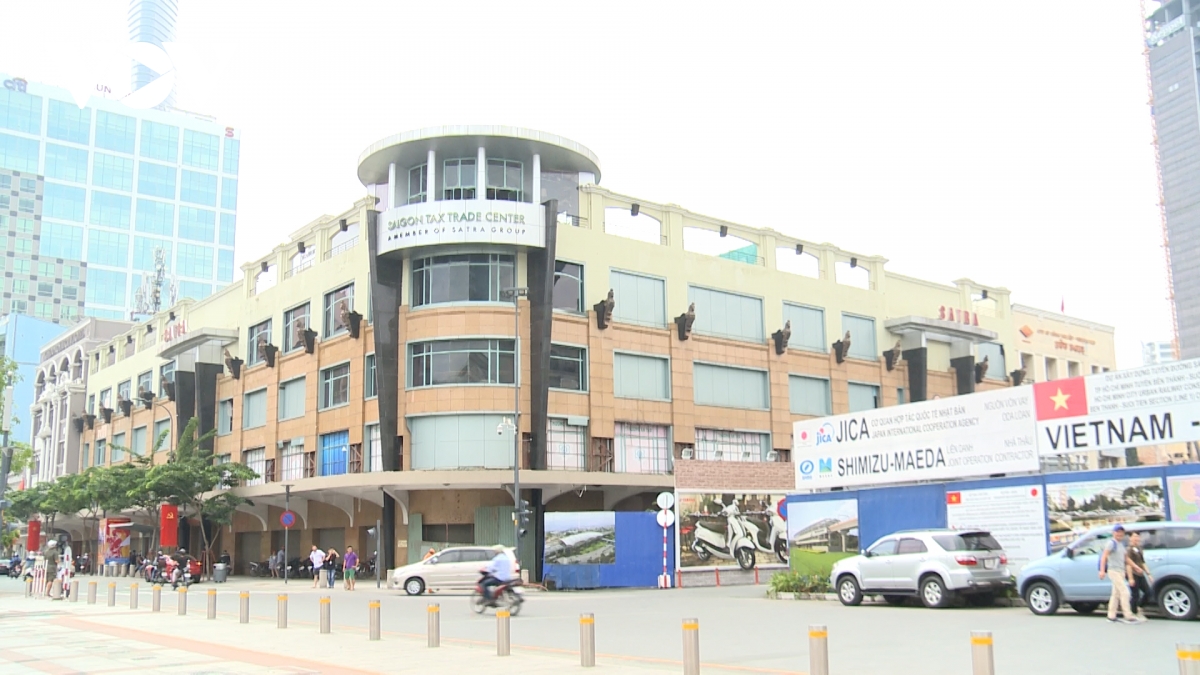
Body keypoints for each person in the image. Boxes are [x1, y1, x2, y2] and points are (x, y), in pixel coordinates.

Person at [1099, 525, 1142, 624]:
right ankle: (1128, 615)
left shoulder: (1121, 544)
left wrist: (1135, 567)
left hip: (1121, 571)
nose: (1119, 534)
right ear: (1113, 533)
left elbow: (1126, 558)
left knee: (1115, 594)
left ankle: (1111, 615)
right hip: (1113, 571)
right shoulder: (1111, 543)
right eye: (1117, 532)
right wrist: (1102, 570)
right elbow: (1104, 556)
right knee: (1125, 592)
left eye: (1121, 532)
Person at [1127, 531, 1153, 620]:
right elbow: (1128, 565)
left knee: (1148, 592)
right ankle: (1133, 613)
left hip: (1140, 573)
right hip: (1133, 573)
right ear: (1130, 538)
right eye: (1134, 536)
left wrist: (1148, 574)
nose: (1136, 538)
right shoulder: (1129, 550)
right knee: (1135, 594)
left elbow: (1142, 562)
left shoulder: (1139, 548)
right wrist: (1130, 578)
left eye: (1137, 536)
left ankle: (1139, 607)